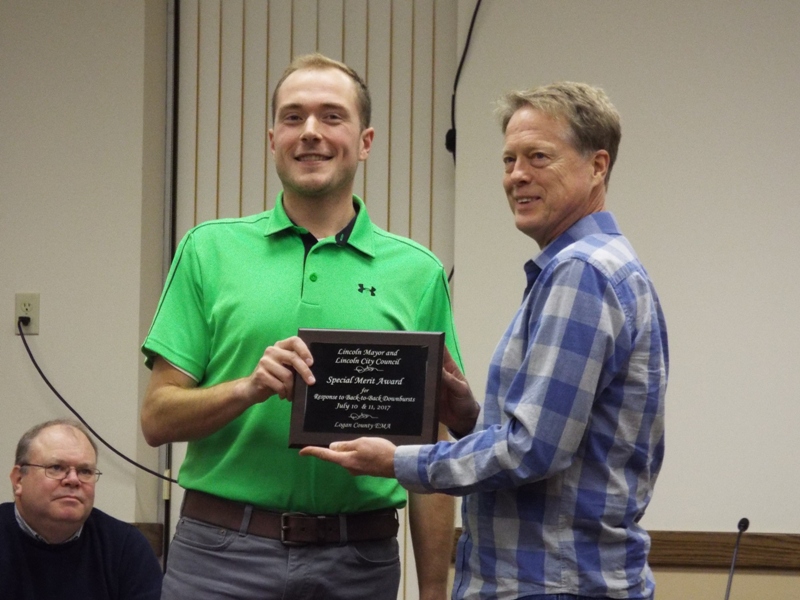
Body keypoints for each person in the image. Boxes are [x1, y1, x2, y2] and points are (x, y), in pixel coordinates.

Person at [301, 82, 669, 599]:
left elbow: (532, 451)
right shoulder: (597, 266)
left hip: (550, 583)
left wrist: (398, 462)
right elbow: (556, 440)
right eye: (509, 159)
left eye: (538, 157)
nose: (517, 175)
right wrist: (469, 416)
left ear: (597, 166)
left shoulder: (581, 273)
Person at [141, 53, 461, 600]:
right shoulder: (208, 250)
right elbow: (155, 419)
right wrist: (247, 388)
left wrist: (433, 591)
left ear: (365, 141)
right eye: (293, 117)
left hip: (359, 561)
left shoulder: (418, 272)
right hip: (220, 557)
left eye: (332, 116)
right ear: (273, 140)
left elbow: (432, 442)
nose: (310, 131)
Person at [1, 419, 163, 600]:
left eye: (85, 471)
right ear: (18, 480)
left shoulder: (126, 547)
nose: (73, 480)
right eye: (56, 468)